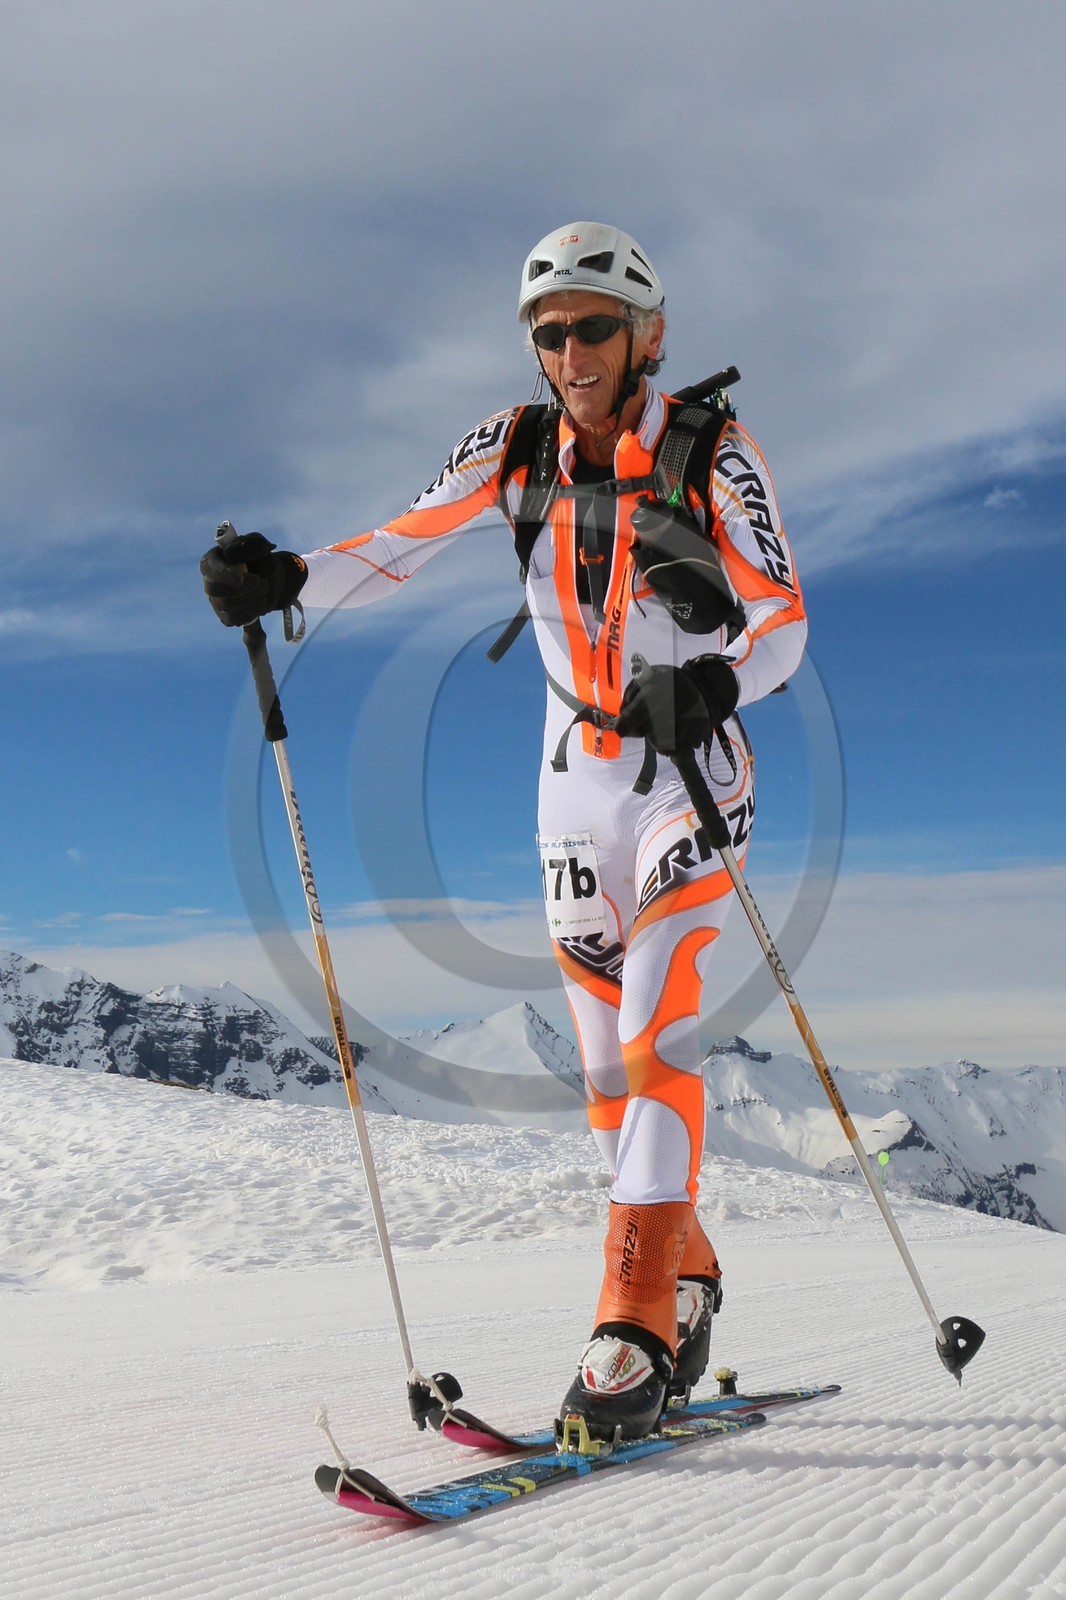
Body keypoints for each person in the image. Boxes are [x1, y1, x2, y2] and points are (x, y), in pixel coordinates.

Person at [201, 222, 806, 1443]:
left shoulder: (714, 451)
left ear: (647, 333)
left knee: (655, 1027)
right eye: (548, 332)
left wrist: (723, 679)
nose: (568, 351)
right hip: (571, 773)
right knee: (601, 1078)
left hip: (689, 766)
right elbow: (396, 549)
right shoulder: (511, 447)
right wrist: (287, 579)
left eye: (591, 326)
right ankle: (690, 1279)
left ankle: (630, 1321)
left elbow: (783, 615)